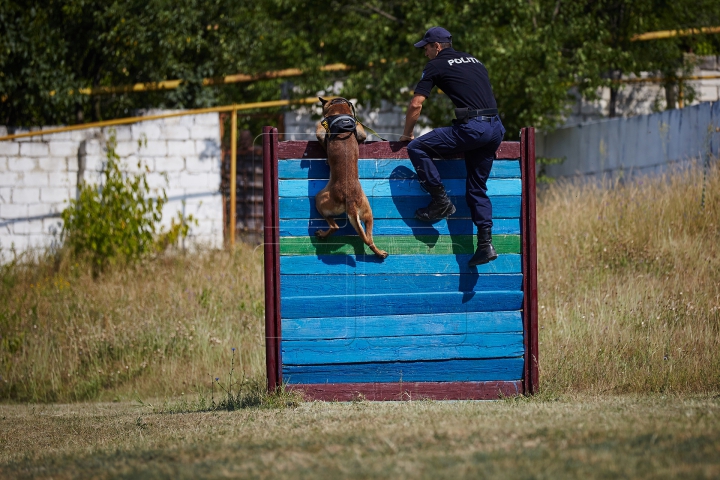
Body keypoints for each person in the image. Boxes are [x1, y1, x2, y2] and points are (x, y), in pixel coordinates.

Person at [399, 27, 506, 267]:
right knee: (477, 189)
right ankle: (485, 245)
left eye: (426, 47)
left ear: (437, 46)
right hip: (495, 128)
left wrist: (407, 134)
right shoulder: (475, 60)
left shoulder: (435, 65)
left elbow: (416, 105)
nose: (424, 52)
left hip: (474, 129)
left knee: (417, 147)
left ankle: (440, 201)